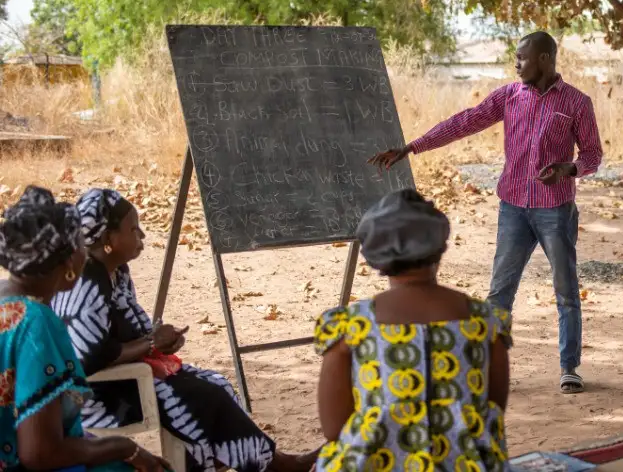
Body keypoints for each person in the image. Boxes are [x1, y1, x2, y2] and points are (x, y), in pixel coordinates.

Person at [370, 31, 602, 394]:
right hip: (513, 208)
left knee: (566, 290)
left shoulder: (576, 102)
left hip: (555, 210)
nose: (516, 64)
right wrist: (412, 147)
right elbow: (465, 122)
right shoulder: (509, 96)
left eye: (522, 58)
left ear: (544, 59)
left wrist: (567, 169)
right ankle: (488, 367)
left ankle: (569, 367)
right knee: (500, 291)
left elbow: (592, 155)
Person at [51, 188, 319, 472]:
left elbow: (126, 330)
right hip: (101, 394)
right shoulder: (88, 281)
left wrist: (157, 341)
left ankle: (263, 462)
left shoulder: (115, 270)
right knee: (206, 397)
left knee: (219, 385)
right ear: (108, 240)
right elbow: (87, 358)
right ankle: (274, 465)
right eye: (133, 229)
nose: (141, 236)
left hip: (132, 375)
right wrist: (151, 344)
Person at [313, 189, 512, 472]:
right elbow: (493, 411)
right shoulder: (486, 322)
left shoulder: (350, 326)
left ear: (374, 257)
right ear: (440, 247)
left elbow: (334, 429)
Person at [0, 186, 168, 472]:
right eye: (81, 245)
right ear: (68, 262)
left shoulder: (6, 298)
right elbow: (40, 453)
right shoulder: (36, 323)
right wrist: (126, 447)